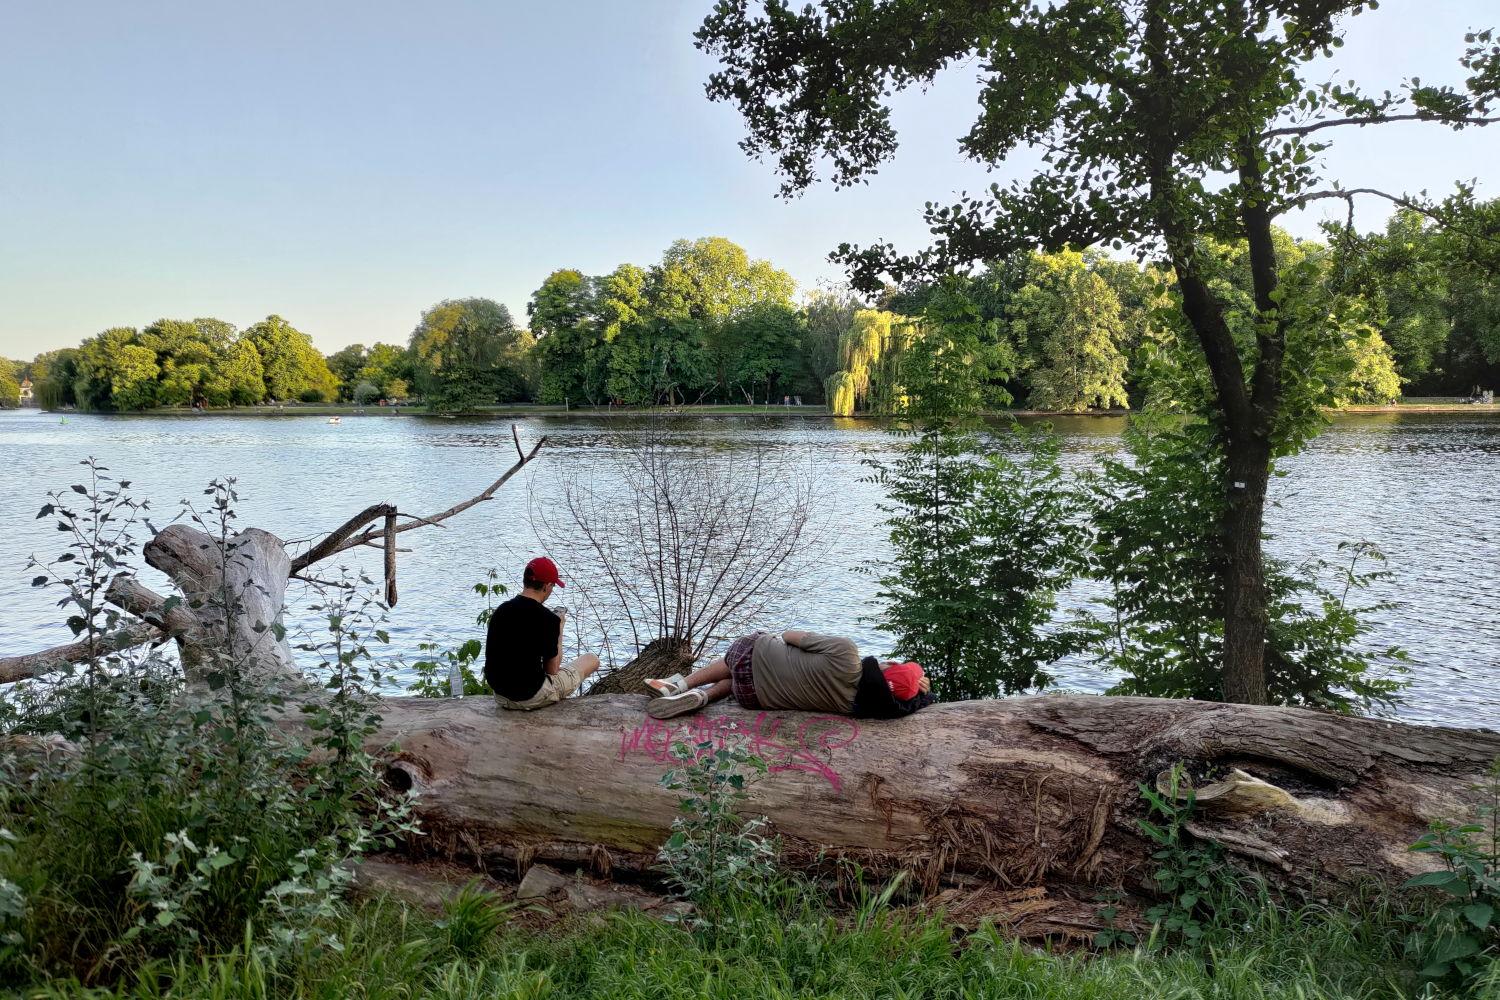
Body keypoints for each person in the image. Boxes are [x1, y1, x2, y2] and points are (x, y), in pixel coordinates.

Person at [644, 630, 934, 720]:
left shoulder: (847, 652)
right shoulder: (859, 708)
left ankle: (679, 684)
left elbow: (790, 635)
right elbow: (898, 704)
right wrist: (921, 694)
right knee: (740, 680)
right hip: (754, 697)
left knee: (745, 652)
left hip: (752, 658)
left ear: (887, 668)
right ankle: (704, 696)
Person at [484, 557, 600, 710]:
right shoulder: (548, 620)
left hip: (500, 696)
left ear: (525, 580)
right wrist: (559, 629)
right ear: (546, 586)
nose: (551, 591)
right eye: (552, 586)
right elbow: (552, 670)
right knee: (591, 659)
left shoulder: (501, 611)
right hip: (530, 697)